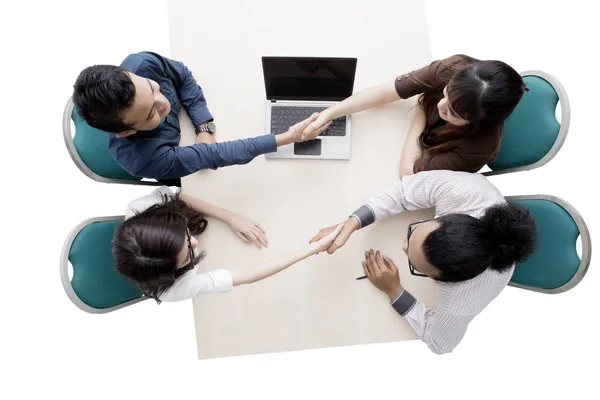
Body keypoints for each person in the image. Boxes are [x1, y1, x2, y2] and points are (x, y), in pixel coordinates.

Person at [309, 170, 536, 354]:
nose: (403, 247)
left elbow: (440, 343)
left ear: (443, 282)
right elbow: (404, 192)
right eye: (414, 231)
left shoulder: (461, 300)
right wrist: (352, 222)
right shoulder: (466, 190)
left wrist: (395, 291)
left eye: (414, 264)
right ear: (451, 213)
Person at [73, 52, 330, 186]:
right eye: (151, 113)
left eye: (153, 88)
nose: (163, 103)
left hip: (191, 138)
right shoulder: (143, 160)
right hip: (180, 172)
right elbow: (213, 156)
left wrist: (204, 125)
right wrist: (288, 137)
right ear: (128, 132)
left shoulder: (140, 64)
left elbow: (182, 75)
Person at [301, 54, 527, 176]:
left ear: (477, 122)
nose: (441, 104)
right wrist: (328, 113)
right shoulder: (452, 68)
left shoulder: (479, 148)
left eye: (453, 112)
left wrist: (419, 113)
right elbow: (384, 92)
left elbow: (408, 174)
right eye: (446, 93)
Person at [112, 186, 342, 303]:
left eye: (185, 233)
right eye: (187, 255)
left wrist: (229, 216)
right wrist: (313, 249)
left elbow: (176, 197)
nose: (195, 241)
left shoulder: (140, 207)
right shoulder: (173, 290)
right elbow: (248, 275)